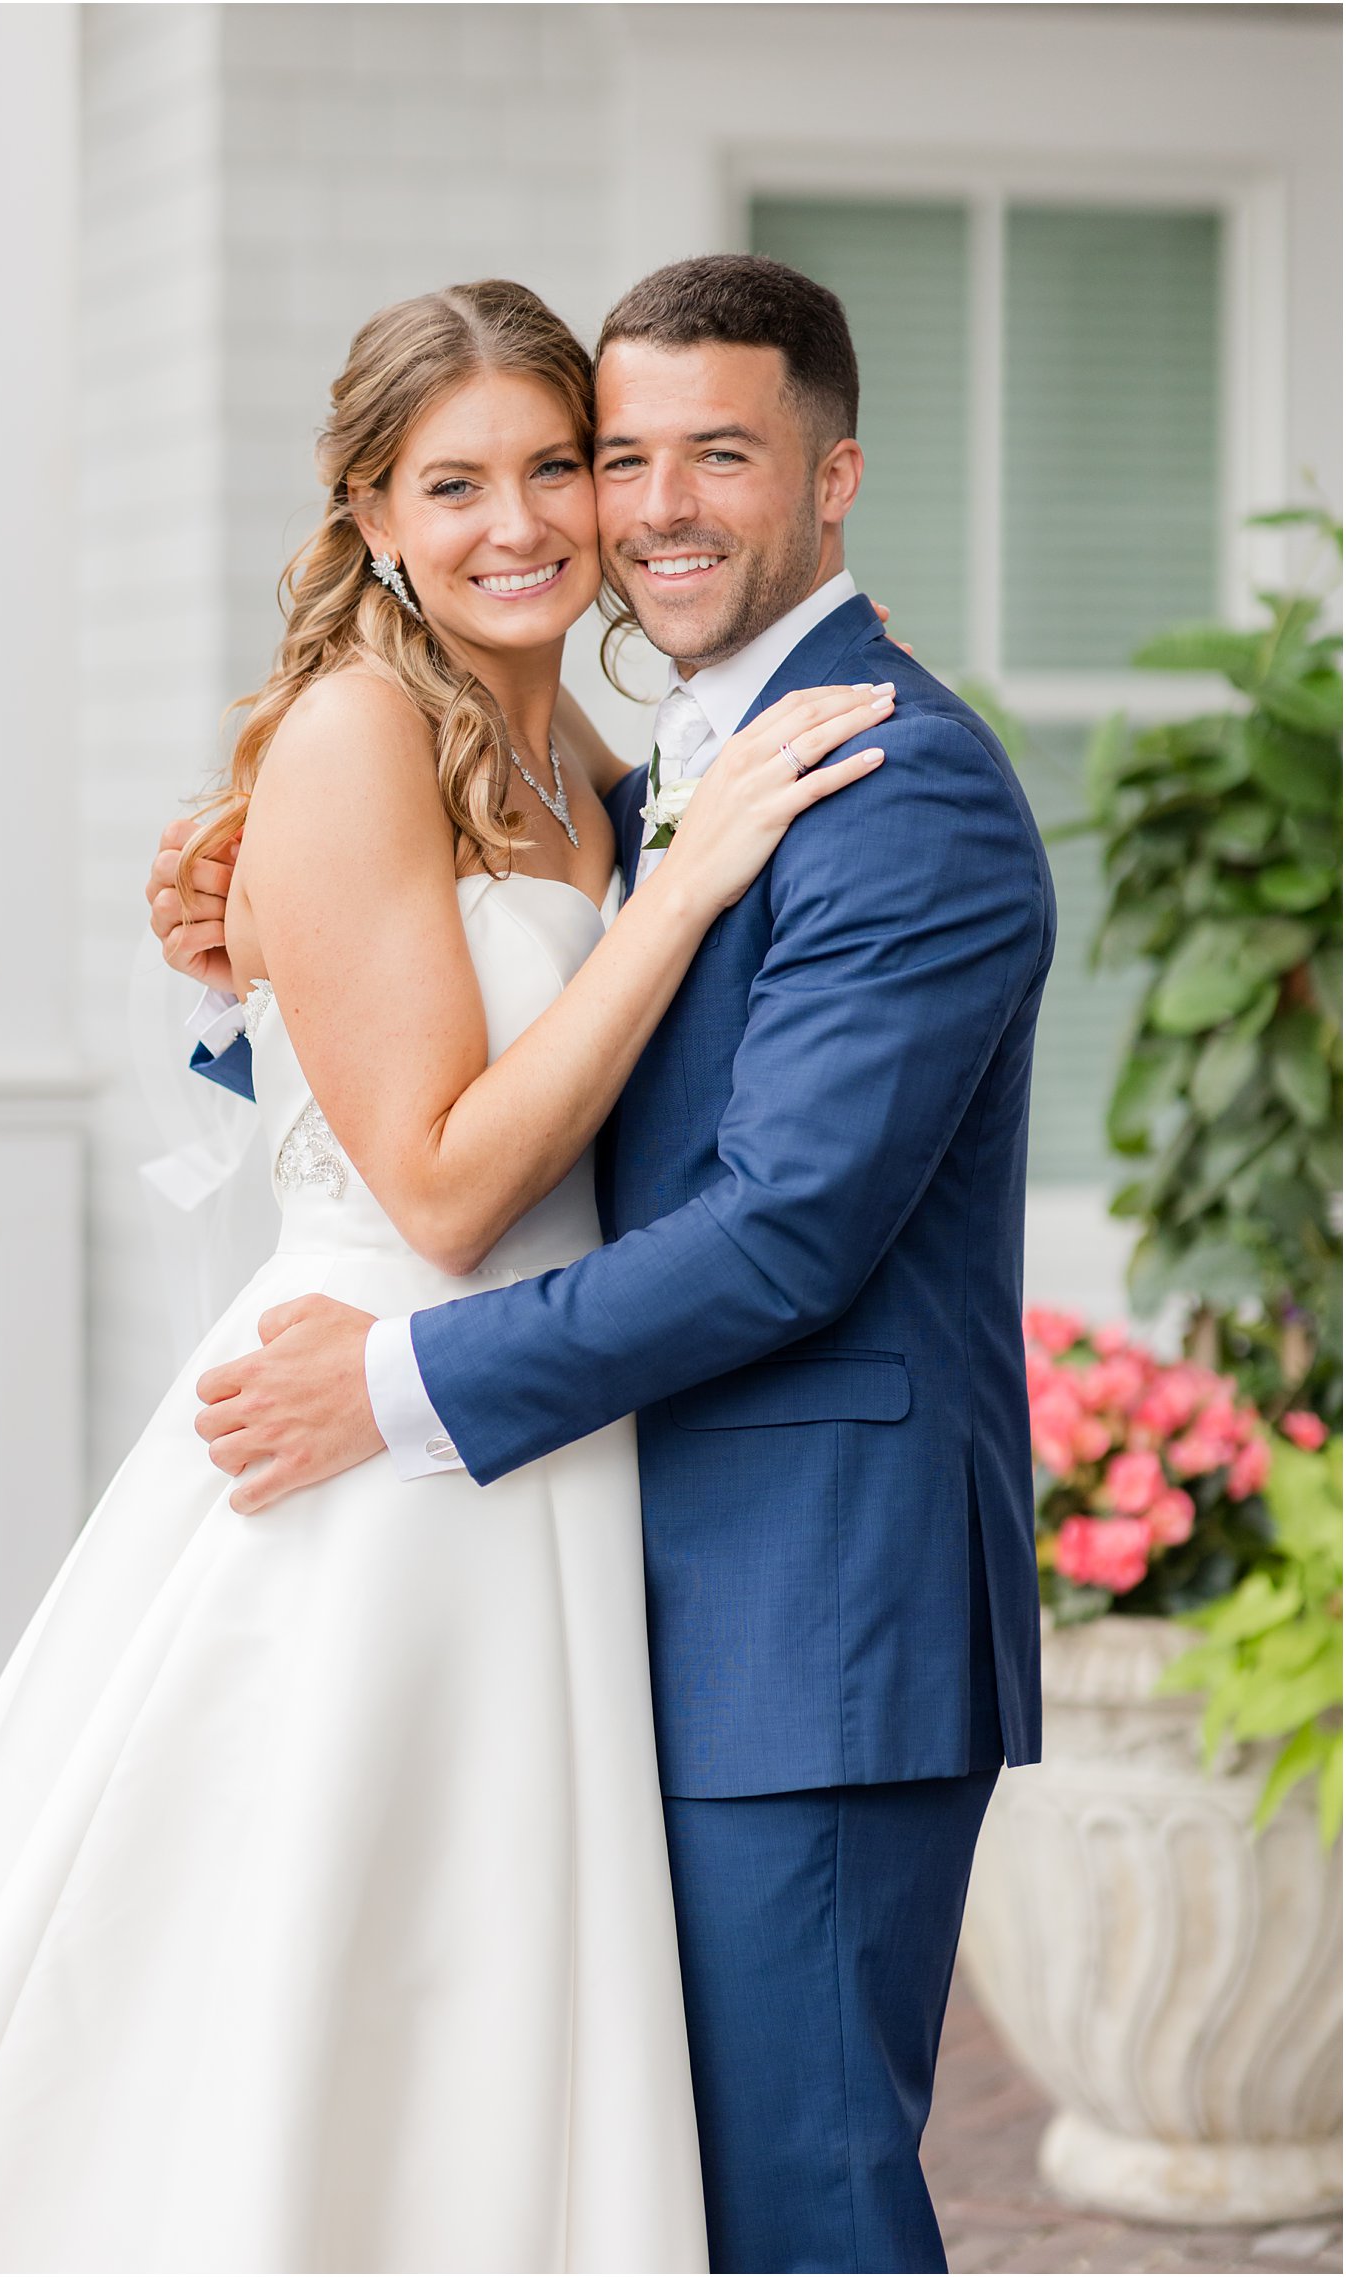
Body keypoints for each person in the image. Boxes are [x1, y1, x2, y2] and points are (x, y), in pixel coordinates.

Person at [0, 279, 889, 2275]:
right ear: (373, 514)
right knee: (315, 1978)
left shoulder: (582, 742)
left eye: (556, 465)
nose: (521, 521)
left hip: (547, 1429)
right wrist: (678, 889)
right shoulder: (351, 731)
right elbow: (442, 1184)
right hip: (381, 1428)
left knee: (495, 2001)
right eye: (454, 481)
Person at [180, 254, 1057, 2276]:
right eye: (624, 454)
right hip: (608, 1568)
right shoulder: (632, 762)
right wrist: (254, 948)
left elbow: (782, 1229)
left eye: (711, 455)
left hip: (806, 1609)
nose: (641, 506)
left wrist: (398, 1385)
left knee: (799, 2201)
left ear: (833, 481)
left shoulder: (886, 780)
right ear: (374, 520)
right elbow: (492, 1045)